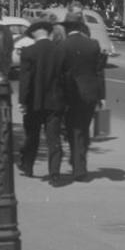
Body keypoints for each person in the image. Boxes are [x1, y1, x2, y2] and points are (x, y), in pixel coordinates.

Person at [17, 21, 66, 186]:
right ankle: (54, 174)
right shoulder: (60, 51)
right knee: (54, 139)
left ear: (34, 34)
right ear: (48, 32)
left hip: (33, 102)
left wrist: (22, 101)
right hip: (55, 101)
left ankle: (28, 167)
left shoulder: (29, 51)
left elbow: (25, 80)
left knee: (32, 136)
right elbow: (65, 78)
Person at [60, 11, 106, 182]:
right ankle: (79, 161)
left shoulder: (63, 46)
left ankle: (79, 167)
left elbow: (60, 73)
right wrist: (101, 96)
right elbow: (99, 72)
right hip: (89, 94)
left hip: (70, 94)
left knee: (74, 129)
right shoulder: (93, 44)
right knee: (83, 128)